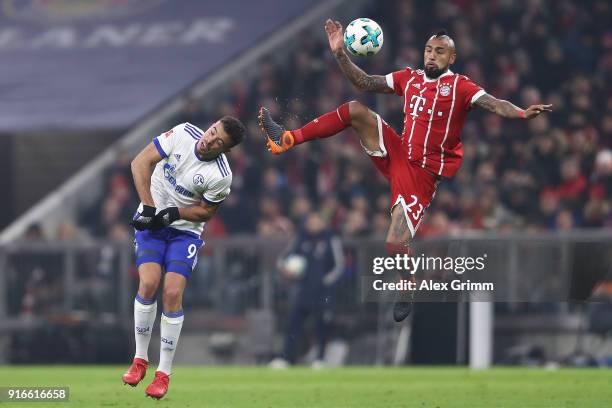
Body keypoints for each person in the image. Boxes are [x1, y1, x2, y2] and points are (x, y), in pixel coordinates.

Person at [259, 20, 552, 323]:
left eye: (440, 52)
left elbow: (494, 104)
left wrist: (519, 112)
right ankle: (287, 139)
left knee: (394, 244)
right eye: (428, 50)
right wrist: (340, 54)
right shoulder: (409, 78)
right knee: (355, 109)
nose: (432, 56)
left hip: (421, 175)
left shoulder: (461, 86)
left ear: (451, 58)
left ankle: (408, 283)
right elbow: (364, 82)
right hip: (398, 152)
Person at [122, 117, 245, 399]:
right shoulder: (183, 133)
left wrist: (174, 214)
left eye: (219, 142)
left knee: (172, 292)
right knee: (148, 284)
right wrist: (149, 208)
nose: (210, 140)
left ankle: (163, 374)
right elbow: (140, 162)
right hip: (153, 222)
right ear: (211, 125)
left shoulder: (221, 175)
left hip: (184, 233)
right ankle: (140, 359)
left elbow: (206, 212)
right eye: (213, 132)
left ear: (225, 149)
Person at [270, 212, 344, 368]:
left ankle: (320, 359)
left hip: (323, 292)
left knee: (322, 325)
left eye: (317, 221)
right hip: (302, 290)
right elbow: (281, 260)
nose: (314, 225)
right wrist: (286, 270)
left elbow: (338, 266)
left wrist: (324, 282)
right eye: (311, 222)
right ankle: (287, 358)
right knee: (293, 324)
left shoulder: (331, 239)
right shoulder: (300, 239)